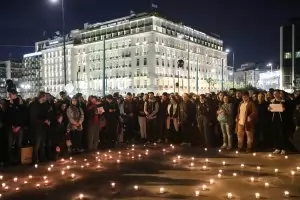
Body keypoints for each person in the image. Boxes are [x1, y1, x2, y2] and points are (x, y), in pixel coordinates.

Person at [269, 90, 286, 155]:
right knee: (275, 134)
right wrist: (269, 108)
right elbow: (270, 108)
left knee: (281, 134)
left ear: (279, 94)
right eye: (274, 94)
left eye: (276, 94)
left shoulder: (283, 101)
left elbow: (285, 109)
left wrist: (282, 107)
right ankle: (277, 148)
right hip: (274, 119)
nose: (275, 95)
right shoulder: (272, 101)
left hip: (281, 120)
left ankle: (283, 148)